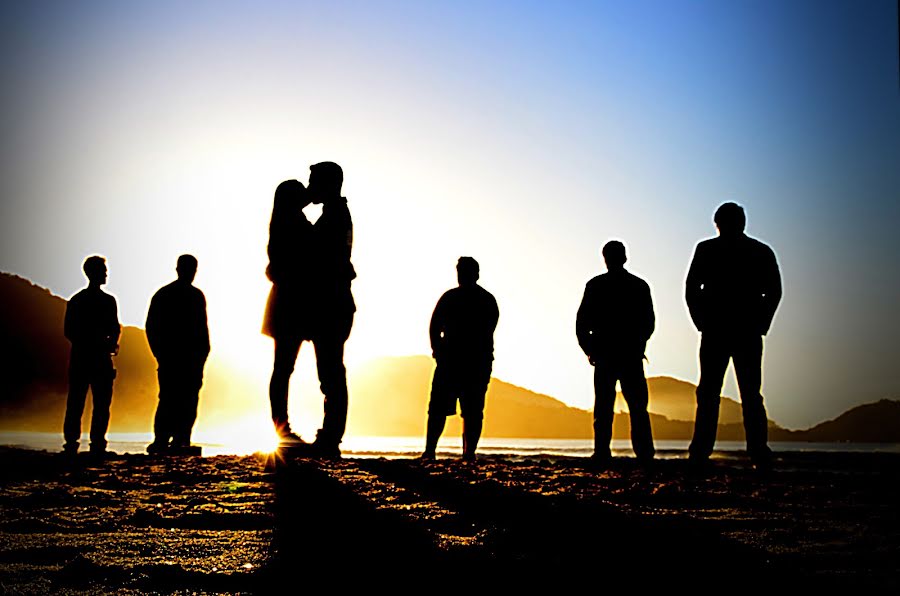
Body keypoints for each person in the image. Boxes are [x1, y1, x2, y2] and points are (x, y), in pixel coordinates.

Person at [685, 202, 782, 468]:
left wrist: (760, 323)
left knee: (726, 393)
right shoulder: (755, 251)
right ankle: (749, 450)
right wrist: (702, 322)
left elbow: (773, 290)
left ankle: (711, 450)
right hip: (733, 329)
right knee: (732, 393)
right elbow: (692, 288)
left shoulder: (714, 250)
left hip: (732, 329)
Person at [576, 241, 655, 464]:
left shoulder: (596, 285)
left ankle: (603, 452)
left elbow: (582, 322)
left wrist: (589, 348)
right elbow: (648, 322)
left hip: (608, 354)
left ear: (605, 258)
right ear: (625, 258)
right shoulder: (638, 286)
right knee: (636, 407)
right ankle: (643, 454)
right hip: (626, 354)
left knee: (605, 406)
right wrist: (638, 343)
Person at [422, 257, 499, 462]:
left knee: (470, 410)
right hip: (456, 361)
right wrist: (437, 350)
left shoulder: (482, 300)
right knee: (445, 409)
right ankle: (432, 452)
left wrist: (439, 349)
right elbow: (434, 327)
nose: (461, 275)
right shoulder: (461, 298)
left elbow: (486, 330)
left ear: (475, 274)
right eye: (460, 271)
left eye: (464, 271)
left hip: (470, 362)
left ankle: (466, 453)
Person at [304, 161, 356, 458]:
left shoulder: (335, 215)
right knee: (331, 370)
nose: (310, 186)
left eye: (314, 181)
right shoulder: (334, 213)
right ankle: (330, 435)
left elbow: (322, 258)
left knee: (331, 371)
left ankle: (331, 437)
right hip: (335, 302)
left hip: (333, 303)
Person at [263, 179, 315, 445]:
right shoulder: (293, 222)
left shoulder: (285, 221)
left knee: (282, 368)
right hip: (290, 304)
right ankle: (281, 428)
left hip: (286, 303)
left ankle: (281, 427)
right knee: (283, 368)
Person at [145, 255, 210, 454]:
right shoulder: (168, 295)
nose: (192, 273)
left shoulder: (189, 295)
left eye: (193, 269)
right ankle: (165, 439)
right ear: (179, 269)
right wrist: (161, 354)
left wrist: (203, 354)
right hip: (174, 358)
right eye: (190, 269)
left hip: (187, 358)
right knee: (172, 397)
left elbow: (202, 328)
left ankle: (179, 439)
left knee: (184, 398)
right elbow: (152, 327)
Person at [63, 255, 120, 456]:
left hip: (83, 357)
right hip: (97, 358)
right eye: (103, 270)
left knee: (79, 402)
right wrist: (107, 343)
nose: (106, 273)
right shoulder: (107, 301)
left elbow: (69, 331)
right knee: (98, 403)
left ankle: (73, 444)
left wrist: (107, 342)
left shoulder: (77, 300)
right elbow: (114, 328)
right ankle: (95, 444)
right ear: (93, 273)